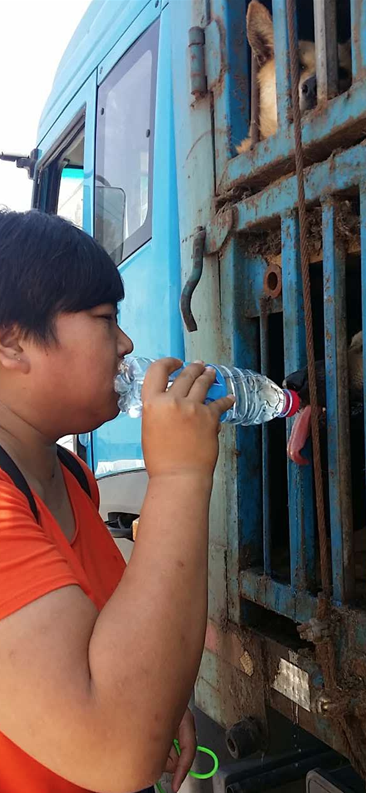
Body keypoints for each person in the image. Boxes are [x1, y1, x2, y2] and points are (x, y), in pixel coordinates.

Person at [0, 209, 234, 793]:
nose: (127, 344)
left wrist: (150, 693)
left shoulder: (72, 475)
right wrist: (179, 476)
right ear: (11, 343)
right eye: (106, 319)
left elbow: (105, 643)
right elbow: (117, 748)